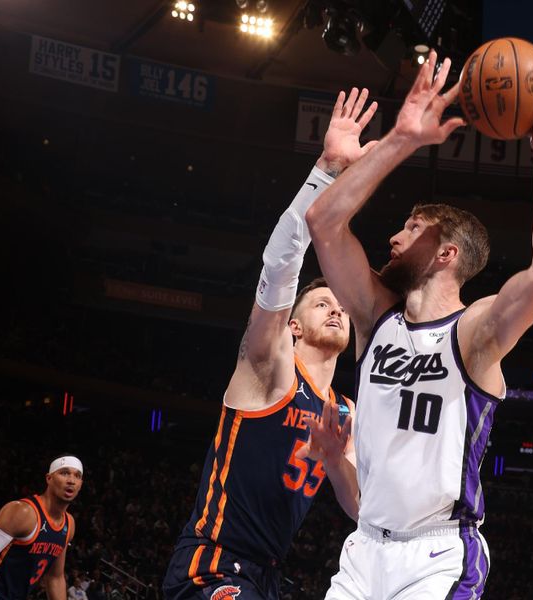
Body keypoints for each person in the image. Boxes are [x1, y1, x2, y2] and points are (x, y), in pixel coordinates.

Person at [305, 50, 533, 598]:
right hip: (363, 551)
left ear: (446, 253)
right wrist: (403, 138)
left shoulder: (473, 334)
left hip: (438, 555)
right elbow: (323, 221)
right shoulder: (376, 318)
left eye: (412, 227)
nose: (394, 238)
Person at [163, 87, 379, 600]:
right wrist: (326, 170)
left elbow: (358, 507)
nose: (336, 308)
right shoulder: (271, 365)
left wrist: (335, 459)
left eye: (341, 305)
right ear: (294, 327)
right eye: (321, 303)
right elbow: (279, 266)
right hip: (214, 564)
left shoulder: (346, 412)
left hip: (267, 576)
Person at [0, 455, 83, 600]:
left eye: (77, 476)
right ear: (49, 478)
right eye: (64, 473)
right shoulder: (24, 512)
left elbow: (55, 577)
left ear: (81, 484)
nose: (71, 481)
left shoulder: (69, 524)